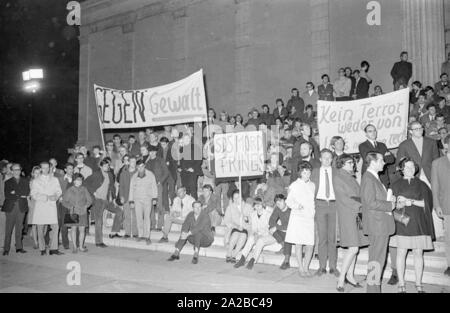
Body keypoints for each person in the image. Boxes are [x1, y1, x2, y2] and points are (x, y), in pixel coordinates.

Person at [391, 158, 435, 293]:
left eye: (412, 167)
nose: (410, 169)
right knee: (401, 252)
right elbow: (391, 204)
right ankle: (401, 284)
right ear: (402, 169)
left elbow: (427, 204)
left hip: (418, 223)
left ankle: (418, 284)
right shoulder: (395, 184)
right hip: (402, 223)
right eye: (407, 167)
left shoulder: (422, 185)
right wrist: (398, 203)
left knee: (418, 253)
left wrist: (411, 202)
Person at [360, 152, 396, 293]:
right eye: (381, 160)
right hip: (377, 225)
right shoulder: (369, 178)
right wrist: (389, 206)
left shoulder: (373, 177)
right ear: (373, 162)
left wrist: (389, 201)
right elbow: (370, 202)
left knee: (376, 260)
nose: (384, 163)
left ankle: (373, 290)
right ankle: (373, 290)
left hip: (379, 224)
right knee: (376, 261)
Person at [335, 155, 368, 292]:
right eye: (349, 163)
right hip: (348, 215)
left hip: (358, 215)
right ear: (342, 164)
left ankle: (350, 276)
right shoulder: (338, 177)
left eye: (352, 163)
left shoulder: (351, 177)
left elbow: (360, 194)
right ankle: (341, 278)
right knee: (353, 247)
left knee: (356, 246)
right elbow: (343, 198)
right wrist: (360, 205)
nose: (352, 165)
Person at [311, 149, 339, 277]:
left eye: (329, 157)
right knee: (322, 237)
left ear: (332, 159)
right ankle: (322, 267)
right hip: (320, 204)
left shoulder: (337, 172)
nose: (327, 160)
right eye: (324, 157)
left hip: (333, 205)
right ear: (320, 159)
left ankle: (333, 266)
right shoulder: (314, 172)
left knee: (332, 238)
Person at [285, 161, 316, 276]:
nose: (306, 174)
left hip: (309, 217)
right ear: (300, 173)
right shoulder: (294, 185)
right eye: (304, 172)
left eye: (308, 172)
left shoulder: (313, 185)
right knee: (298, 244)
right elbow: (288, 201)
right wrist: (297, 206)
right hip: (298, 217)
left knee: (310, 244)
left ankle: (307, 267)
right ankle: (301, 268)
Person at [84, 160, 123, 247]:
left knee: (119, 211)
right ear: (101, 166)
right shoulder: (96, 174)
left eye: (108, 165)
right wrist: (93, 192)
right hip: (98, 201)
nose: (107, 167)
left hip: (106, 200)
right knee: (99, 221)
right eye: (105, 166)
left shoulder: (110, 174)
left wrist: (113, 199)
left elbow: (112, 187)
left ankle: (114, 232)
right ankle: (98, 242)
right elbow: (85, 182)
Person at [30, 161, 63, 256]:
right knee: (40, 229)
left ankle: (54, 248)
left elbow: (59, 191)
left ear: (50, 168)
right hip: (41, 206)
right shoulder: (36, 181)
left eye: (47, 167)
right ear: (40, 169)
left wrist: (56, 196)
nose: (46, 169)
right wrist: (46, 197)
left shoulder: (54, 179)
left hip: (51, 207)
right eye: (43, 168)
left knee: (55, 227)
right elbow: (33, 194)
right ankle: (42, 248)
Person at [397, 121, 440, 186]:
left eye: (421, 128)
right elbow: (400, 165)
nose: (420, 130)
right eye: (416, 129)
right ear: (410, 131)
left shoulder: (432, 142)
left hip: (430, 176)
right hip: (413, 177)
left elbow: (437, 161)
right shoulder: (403, 145)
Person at [234, 198, 272, 269]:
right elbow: (253, 228)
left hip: (267, 235)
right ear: (253, 206)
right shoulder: (253, 214)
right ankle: (242, 258)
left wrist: (259, 234)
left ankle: (253, 259)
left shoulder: (268, 214)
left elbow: (268, 228)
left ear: (262, 204)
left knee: (260, 241)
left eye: (259, 204)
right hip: (258, 233)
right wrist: (255, 234)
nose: (257, 206)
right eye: (255, 204)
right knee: (251, 238)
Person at [431, 134, 450, 277]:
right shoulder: (437, 163)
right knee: (449, 238)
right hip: (447, 206)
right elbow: (435, 187)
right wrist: (437, 205)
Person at [2, 163, 29, 255]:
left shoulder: (25, 181)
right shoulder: (7, 182)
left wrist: (15, 192)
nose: (16, 171)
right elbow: (8, 195)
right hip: (10, 207)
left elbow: (26, 192)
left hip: (21, 206)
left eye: (18, 169)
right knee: (8, 229)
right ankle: (6, 249)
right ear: (12, 171)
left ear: (20, 170)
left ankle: (19, 247)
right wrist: (20, 194)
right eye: (14, 170)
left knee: (19, 228)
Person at [61, 173, 93, 253]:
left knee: (82, 230)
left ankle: (81, 247)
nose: (79, 182)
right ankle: (75, 247)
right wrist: (70, 207)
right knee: (73, 229)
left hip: (82, 212)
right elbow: (64, 202)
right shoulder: (70, 189)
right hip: (73, 212)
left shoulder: (84, 189)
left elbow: (90, 200)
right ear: (74, 181)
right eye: (78, 180)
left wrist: (86, 206)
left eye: (81, 180)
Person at [129, 159, 158, 244]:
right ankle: (140, 235)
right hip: (137, 199)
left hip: (147, 199)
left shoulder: (150, 174)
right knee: (138, 218)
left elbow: (154, 187)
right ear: (137, 167)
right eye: (139, 167)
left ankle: (147, 236)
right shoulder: (134, 176)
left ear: (144, 166)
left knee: (147, 218)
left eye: (142, 166)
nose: (140, 168)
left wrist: (154, 198)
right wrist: (131, 200)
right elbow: (131, 189)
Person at [145, 145, 169, 231]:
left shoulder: (160, 160)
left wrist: (160, 181)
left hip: (158, 185)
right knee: (150, 206)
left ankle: (160, 225)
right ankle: (152, 224)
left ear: (155, 152)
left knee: (159, 205)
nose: (151, 153)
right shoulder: (147, 163)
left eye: (153, 151)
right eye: (150, 151)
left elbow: (166, 172)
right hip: (149, 187)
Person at [224, 189, 252, 263]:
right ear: (232, 199)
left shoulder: (248, 206)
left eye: (238, 197)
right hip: (234, 228)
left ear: (242, 198)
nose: (236, 199)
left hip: (245, 228)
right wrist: (235, 226)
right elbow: (227, 220)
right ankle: (229, 253)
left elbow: (252, 220)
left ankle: (234, 255)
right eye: (234, 198)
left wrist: (247, 219)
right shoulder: (230, 207)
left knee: (243, 235)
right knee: (236, 234)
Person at [268, 194, 292, 269]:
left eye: (281, 202)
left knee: (287, 235)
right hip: (284, 230)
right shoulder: (277, 208)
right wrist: (277, 227)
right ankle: (283, 246)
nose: (279, 204)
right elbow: (271, 221)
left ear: (285, 201)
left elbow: (290, 226)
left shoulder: (291, 209)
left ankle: (286, 261)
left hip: (293, 232)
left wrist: (277, 227)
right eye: (277, 203)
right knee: (271, 227)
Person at [118, 155, 138, 239]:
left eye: (135, 162)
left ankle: (135, 233)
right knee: (127, 215)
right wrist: (121, 196)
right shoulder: (123, 173)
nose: (133, 163)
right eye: (132, 161)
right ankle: (127, 233)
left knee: (135, 216)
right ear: (128, 162)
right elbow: (121, 186)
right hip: (126, 196)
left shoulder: (138, 173)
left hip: (136, 197)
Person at [57, 162, 75, 250]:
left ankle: (77, 244)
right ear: (65, 170)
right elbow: (56, 190)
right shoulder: (60, 179)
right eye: (69, 168)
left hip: (73, 205)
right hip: (63, 205)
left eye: (72, 168)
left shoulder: (76, 179)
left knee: (74, 225)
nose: (71, 170)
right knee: (64, 224)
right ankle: (66, 244)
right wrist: (59, 197)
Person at [178, 134, 203, 199]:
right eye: (184, 139)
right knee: (185, 190)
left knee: (193, 189)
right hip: (184, 172)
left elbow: (199, 160)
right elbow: (180, 161)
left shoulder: (196, 147)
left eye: (187, 139)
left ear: (190, 139)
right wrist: (179, 167)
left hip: (192, 172)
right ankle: (187, 207)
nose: (186, 140)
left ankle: (196, 205)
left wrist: (193, 168)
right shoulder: (181, 149)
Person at [28, 166, 41, 249]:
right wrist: (29, 203)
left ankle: (40, 241)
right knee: (34, 224)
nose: (37, 174)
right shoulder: (31, 182)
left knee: (42, 224)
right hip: (34, 204)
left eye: (39, 173)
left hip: (42, 204)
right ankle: (36, 242)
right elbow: (30, 194)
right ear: (33, 173)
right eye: (36, 173)